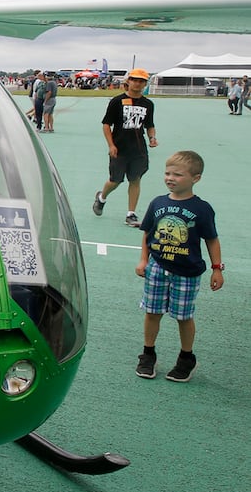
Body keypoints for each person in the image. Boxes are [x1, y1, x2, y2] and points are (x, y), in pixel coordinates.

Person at [135, 151, 223, 382]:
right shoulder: (158, 203)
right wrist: (144, 260)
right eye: (167, 173)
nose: (170, 178)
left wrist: (217, 268)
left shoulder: (202, 208)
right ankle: (148, 354)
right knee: (152, 312)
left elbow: (212, 239)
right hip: (157, 268)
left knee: (183, 316)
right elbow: (147, 233)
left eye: (178, 174)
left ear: (196, 178)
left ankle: (186, 358)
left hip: (187, 273)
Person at [93, 69, 157, 227]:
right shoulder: (117, 101)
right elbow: (106, 124)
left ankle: (131, 213)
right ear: (128, 81)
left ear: (145, 84)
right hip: (119, 148)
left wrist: (152, 138)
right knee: (115, 180)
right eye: (134, 80)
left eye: (141, 81)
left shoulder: (148, 104)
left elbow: (149, 125)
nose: (137, 83)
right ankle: (101, 197)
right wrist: (111, 145)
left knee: (135, 180)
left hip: (138, 150)